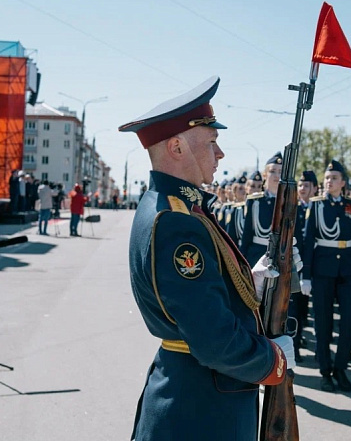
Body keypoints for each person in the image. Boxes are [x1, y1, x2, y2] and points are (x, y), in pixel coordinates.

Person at [119, 76, 294, 440]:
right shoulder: (176, 222)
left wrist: (247, 286)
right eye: (212, 142)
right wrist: (273, 360)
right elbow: (214, 339)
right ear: (178, 148)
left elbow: (195, 300)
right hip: (201, 410)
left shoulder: (175, 208)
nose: (221, 154)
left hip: (193, 394)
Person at [302, 160, 351, 393]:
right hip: (322, 271)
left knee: (349, 322)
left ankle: (340, 368)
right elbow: (308, 240)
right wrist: (306, 276)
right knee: (323, 323)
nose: (329, 182)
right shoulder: (317, 205)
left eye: (334, 178)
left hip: (348, 271)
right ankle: (325, 371)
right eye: (327, 178)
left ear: (343, 182)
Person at [290, 170, 317, 363]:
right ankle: (295, 344)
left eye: (306, 185)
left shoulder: (318, 207)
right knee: (295, 308)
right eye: (300, 185)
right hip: (298, 262)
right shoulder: (295, 208)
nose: (302, 189)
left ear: (315, 188)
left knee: (307, 308)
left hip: (317, 262)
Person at [239, 153, 282, 263]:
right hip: (256, 256)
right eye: (272, 171)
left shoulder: (287, 202)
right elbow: (247, 234)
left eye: (280, 172)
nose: (277, 175)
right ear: (265, 175)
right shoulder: (254, 201)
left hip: (279, 258)